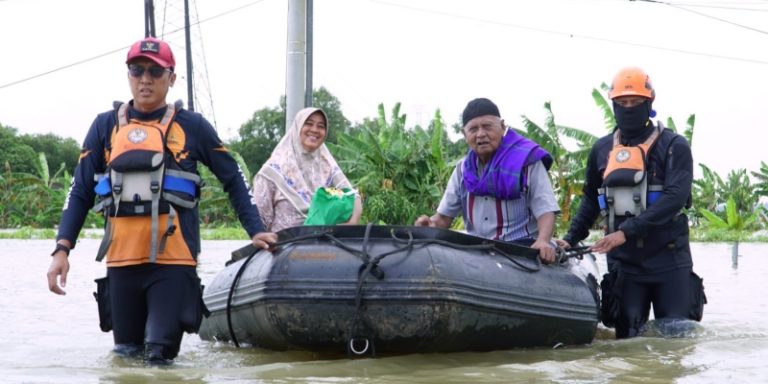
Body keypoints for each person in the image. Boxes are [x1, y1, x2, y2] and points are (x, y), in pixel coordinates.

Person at [45, 36, 277, 364]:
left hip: (173, 264)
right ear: (128, 75)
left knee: (159, 358)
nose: (145, 79)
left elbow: (234, 179)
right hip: (122, 263)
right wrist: (61, 249)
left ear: (171, 78)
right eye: (137, 70)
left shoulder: (192, 126)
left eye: (155, 71)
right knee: (125, 358)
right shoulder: (104, 126)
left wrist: (255, 229)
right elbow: (80, 190)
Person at [557, 67, 705, 338]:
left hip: (669, 260)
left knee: (676, 342)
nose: (628, 108)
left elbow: (675, 198)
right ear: (613, 105)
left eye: (635, 102)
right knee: (626, 345)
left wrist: (625, 232)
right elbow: (591, 198)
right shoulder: (602, 150)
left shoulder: (674, 146)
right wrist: (570, 238)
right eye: (622, 103)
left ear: (649, 103)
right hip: (624, 265)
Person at [414, 98, 558, 263]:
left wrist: (543, 241)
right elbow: (443, 219)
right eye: (473, 129)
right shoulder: (462, 170)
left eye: (487, 126)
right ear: (464, 134)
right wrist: (429, 226)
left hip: (521, 249)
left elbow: (546, 209)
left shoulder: (527, 161)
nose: (481, 134)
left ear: (502, 126)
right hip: (477, 252)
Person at [251, 107, 362, 232]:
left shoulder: (327, 166)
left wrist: (350, 224)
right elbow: (258, 223)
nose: (314, 130)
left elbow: (353, 196)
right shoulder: (272, 171)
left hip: (326, 246)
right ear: (298, 128)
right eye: (308, 124)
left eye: (321, 126)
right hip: (284, 248)